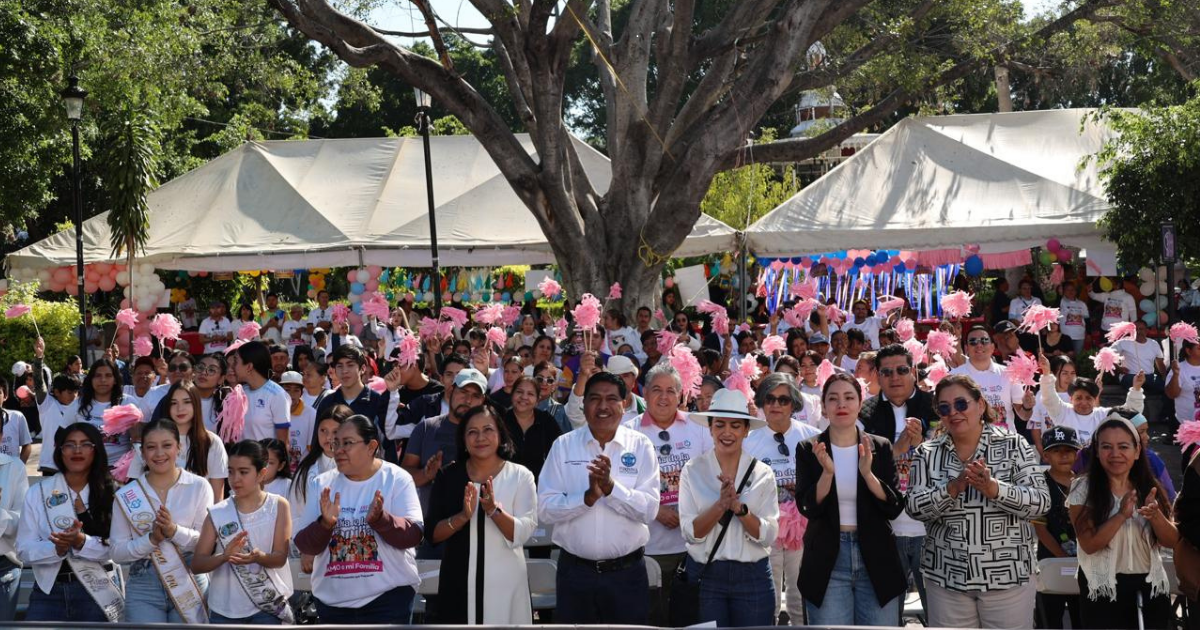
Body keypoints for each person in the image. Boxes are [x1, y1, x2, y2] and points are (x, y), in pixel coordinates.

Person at [906, 374, 1050, 628]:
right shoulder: (927, 453)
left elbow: (1040, 502)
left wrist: (994, 489)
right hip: (947, 582)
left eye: (961, 404)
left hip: (1008, 579)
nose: (954, 412)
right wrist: (953, 487)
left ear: (980, 405)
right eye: (945, 407)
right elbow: (915, 507)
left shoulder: (1014, 446)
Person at [537, 371, 660, 624]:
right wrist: (586, 498)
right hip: (575, 575)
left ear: (624, 404)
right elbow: (546, 509)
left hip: (627, 575)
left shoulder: (640, 446)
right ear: (583, 404)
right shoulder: (563, 446)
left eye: (611, 399)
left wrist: (612, 488)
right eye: (594, 398)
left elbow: (649, 510)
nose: (603, 406)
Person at [795, 374, 905, 626]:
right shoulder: (809, 448)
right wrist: (827, 473)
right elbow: (807, 507)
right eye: (833, 399)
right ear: (823, 406)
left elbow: (894, 506)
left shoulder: (880, 446)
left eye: (848, 397)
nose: (841, 405)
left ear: (859, 402)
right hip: (827, 559)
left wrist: (867, 474)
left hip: (875, 556)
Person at [294, 415, 424, 624]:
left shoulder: (396, 478)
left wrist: (381, 520)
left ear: (371, 446)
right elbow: (305, 544)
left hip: (388, 601)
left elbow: (413, 535)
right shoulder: (322, 484)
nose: (338, 450)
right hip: (333, 604)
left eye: (347, 443)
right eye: (336, 444)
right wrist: (325, 524)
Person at [427, 404, 537, 624]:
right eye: (472, 432)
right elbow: (432, 534)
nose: (480, 437)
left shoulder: (520, 476)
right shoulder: (448, 475)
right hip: (457, 581)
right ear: (464, 440)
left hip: (506, 582)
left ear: (501, 435)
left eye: (488, 429)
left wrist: (493, 511)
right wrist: (461, 518)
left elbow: (522, 533)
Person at [679, 388, 779, 627]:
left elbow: (768, 536)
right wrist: (720, 505)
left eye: (735, 426)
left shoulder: (763, 473)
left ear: (746, 431)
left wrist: (739, 509)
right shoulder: (693, 470)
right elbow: (691, 533)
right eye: (720, 424)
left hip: (753, 576)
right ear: (710, 428)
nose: (727, 432)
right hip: (706, 575)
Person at [623, 363, 714, 625]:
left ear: (681, 395)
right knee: (651, 618)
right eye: (656, 390)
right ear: (644, 392)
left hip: (692, 546)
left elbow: (712, 477)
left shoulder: (698, 428)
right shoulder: (628, 431)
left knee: (691, 618)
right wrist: (655, 510)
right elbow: (618, 487)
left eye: (671, 391)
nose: (664, 397)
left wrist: (687, 511)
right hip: (646, 547)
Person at [1068, 415, 1176, 629]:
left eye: (1123, 446)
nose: (1115, 454)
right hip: (1103, 588)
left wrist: (1156, 517)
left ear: (1137, 451)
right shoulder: (1083, 488)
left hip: (1150, 586)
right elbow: (1089, 544)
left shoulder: (1150, 487)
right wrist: (1120, 515)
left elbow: (1171, 541)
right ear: (1097, 452)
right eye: (1106, 447)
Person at [857, 344, 938, 621]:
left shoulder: (936, 404)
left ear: (913, 372)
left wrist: (924, 444)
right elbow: (859, 466)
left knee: (939, 617)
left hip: (931, 528)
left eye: (902, 370)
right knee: (886, 618)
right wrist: (897, 449)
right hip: (886, 529)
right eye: (887, 372)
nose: (895, 377)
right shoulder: (864, 411)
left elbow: (953, 458)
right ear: (877, 376)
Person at [111, 419, 216, 623]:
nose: (159, 454)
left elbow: (207, 544)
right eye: (151, 447)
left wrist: (173, 531)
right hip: (143, 584)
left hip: (189, 578)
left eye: (167, 445)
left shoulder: (199, 487)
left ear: (179, 447)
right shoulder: (127, 495)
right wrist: (151, 539)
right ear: (142, 453)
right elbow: (117, 552)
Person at [18, 422, 121, 622]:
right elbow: (23, 549)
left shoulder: (112, 492)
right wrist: (55, 549)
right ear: (60, 451)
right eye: (69, 444)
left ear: (96, 450)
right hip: (48, 593)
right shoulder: (38, 492)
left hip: (99, 592)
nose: (77, 450)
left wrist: (82, 542)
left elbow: (118, 548)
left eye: (85, 444)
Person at [743, 372, 819, 624]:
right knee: (768, 598)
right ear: (762, 402)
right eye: (770, 399)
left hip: (803, 530)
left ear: (794, 403)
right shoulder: (748, 441)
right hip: (765, 528)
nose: (775, 405)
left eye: (783, 400)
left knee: (801, 598)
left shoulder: (812, 436)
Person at [193, 440, 294, 624]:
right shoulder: (217, 512)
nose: (235, 478)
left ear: (261, 473)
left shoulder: (279, 505)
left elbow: (280, 558)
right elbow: (197, 564)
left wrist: (259, 557)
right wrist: (224, 556)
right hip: (225, 610)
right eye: (230, 471)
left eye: (243, 472)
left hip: (266, 608)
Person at [404, 369, 489, 516]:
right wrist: (426, 475)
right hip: (432, 525)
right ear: (451, 390)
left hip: (477, 525)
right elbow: (405, 476)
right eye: (463, 392)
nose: (468, 400)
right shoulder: (426, 428)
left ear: (482, 401)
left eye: (475, 396)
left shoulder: (489, 436)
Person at [130, 382, 229, 501]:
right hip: (155, 513)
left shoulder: (212, 442)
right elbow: (133, 487)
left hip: (199, 516)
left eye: (187, 402)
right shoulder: (150, 439)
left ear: (196, 404)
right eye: (174, 403)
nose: (180, 408)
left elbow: (217, 496)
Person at [1038, 353, 1144, 447]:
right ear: (1071, 398)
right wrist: (1046, 373)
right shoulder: (1062, 412)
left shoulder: (1103, 415)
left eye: (1088, 398)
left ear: (1095, 399)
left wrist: (1137, 388)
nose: (1084, 402)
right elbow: (1049, 397)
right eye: (1078, 398)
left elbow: (1131, 413)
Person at [1033, 426, 1082, 629]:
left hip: (1084, 561)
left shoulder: (1084, 482)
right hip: (1050, 559)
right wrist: (1062, 558)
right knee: (1050, 619)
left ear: (1077, 453)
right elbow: (1040, 529)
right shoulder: (1039, 484)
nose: (1063, 455)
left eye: (1069, 450)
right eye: (1056, 451)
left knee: (1083, 617)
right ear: (1045, 455)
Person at [949, 325, 1030, 431]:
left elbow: (1024, 416)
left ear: (992, 347)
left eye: (984, 340)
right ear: (966, 348)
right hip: (969, 442)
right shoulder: (954, 377)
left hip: (1004, 442)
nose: (979, 345)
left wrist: (1027, 406)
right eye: (973, 341)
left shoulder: (1009, 373)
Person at [75, 357, 134, 466]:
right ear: (91, 379)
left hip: (121, 470)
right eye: (98, 376)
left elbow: (139, 438)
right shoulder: (77, 404)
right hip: (87, 468)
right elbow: (63, 435)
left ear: (115, 379)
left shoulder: (128, 402)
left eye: (108, 375)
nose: (103, 380)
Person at [502, 375, 562, 482]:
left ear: (537, 400)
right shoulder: (501, 420)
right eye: (519, 392)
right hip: (505, 484)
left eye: (530, 394)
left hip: (538, 487)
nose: (524, 397)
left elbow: (559, 453)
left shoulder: (546, 421)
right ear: (512, 394)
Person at [1029, 355, 1077, 458]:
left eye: (1073, 373)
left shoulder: (1079, 396)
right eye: (1064, 373)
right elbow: (1035, 425)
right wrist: (1041, 450)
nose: (1070, 377)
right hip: (1049, 449)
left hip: (1074, 451)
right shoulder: (1042, 394)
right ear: (1053, 374)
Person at [1113, 320, 1167, 397]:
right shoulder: (1123, 342)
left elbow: (1159, 362)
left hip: (1149, 376)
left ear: (1146, 330)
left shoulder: (1153, 343)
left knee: (1164, 388)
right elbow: (1106, 355)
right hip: (1130, 376)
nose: (1138, 331)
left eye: (1141, 329)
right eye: (1135, 329)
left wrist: (1164, 377)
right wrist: (1118, 368)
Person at [280, 370, 317, 469]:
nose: (291, 395)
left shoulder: (311, 414)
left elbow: (311, 448)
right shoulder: (273, 411)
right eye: (287, 390)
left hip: (302, 468)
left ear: (301, 392)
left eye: (296, 390)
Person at [1168, 340, 1200, 424]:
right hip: (1187, 425)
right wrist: (1175, 375)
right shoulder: (1179, 368)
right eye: (1199, 348)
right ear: (1188, 351)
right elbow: (1172, 394)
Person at [0, 379, 31, 463]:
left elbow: (26, 445)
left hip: (11, 473)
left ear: (5, 396)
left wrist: (18, 467)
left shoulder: (17, 417)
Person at [1058, 282, 1089, 354]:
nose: (1070, 292)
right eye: (1067, 290)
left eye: (1072, 290)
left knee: (1078, 357)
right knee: (1066, 358)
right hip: (1065, 335)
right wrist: (1059, 294)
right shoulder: (1061, 302)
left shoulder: (1082, 304)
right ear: (1064, 291)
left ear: (1076, 291)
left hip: (1079, 335)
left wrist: (1089, 333)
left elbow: (1087, 319)